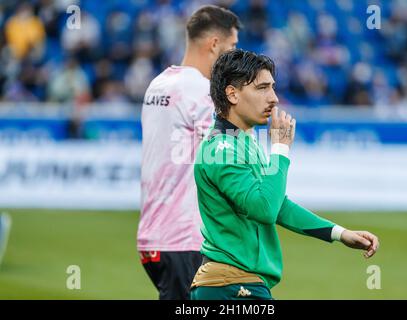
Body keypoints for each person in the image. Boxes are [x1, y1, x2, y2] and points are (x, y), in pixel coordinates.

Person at [191, 49, 380, 300]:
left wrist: (339, 233)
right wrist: (280, 148)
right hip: (232, 286)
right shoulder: (222, 149)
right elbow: (265, 208)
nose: (274, 98)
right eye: (262, 88)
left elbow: (277, 204)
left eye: (273, 88)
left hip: (237, 283)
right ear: (232, 93)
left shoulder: (242, 142)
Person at [137, 5, 241, 300]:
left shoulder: (158, 84)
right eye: (232, 46)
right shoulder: (201, 91)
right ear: (214, 44)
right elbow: (228, 156)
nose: (234, 54)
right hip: (185, 238)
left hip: (154, 234)